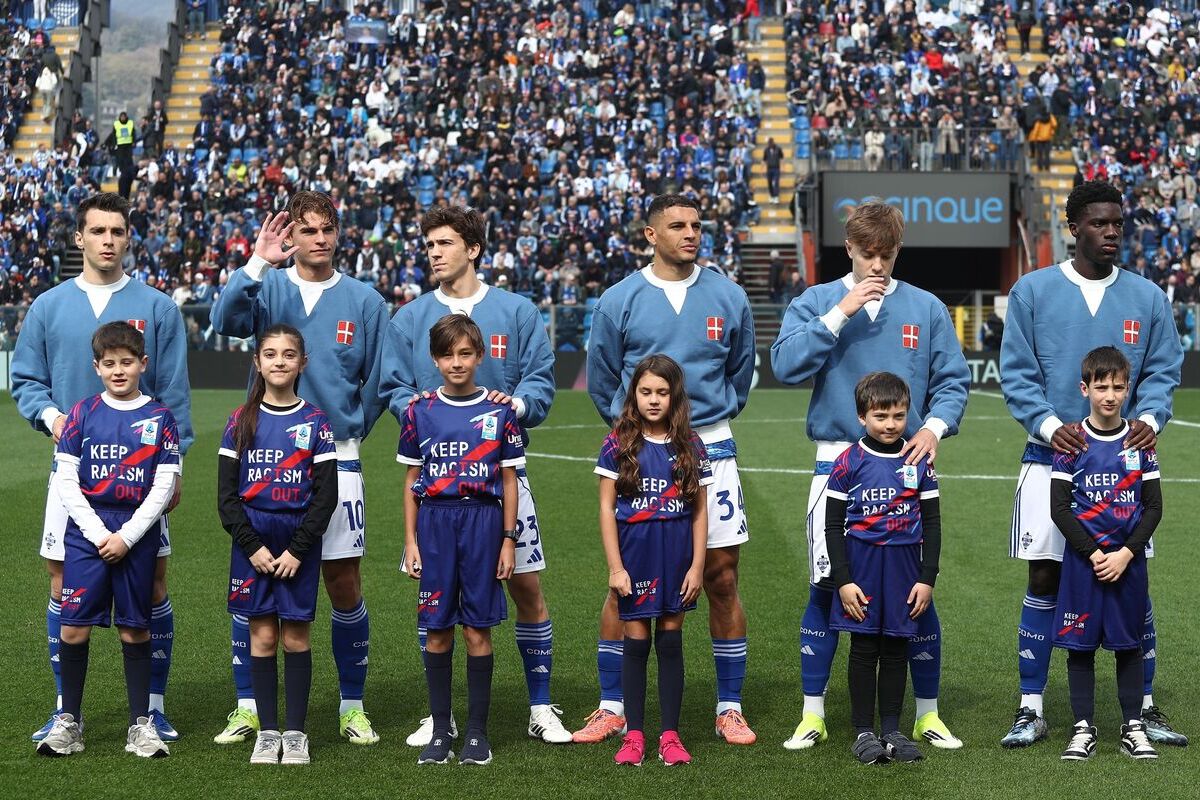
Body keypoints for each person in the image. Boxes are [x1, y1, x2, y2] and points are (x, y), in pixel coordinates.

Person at [770, 200, 969, 751]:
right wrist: (842, 311)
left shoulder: (926, 308)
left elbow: (953, 381)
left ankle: (926, 715)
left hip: (909, 467)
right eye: (867, 254)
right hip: (837, 464)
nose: (877, 265)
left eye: (887, 254)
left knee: (916, 590)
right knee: (827, 585)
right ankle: (813, 714)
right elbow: (784, 365)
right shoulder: (816, 300)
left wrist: (934, 429)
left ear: (897, 250)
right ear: (849, 249)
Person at [999, 180, 1186, 748]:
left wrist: (1149, 416)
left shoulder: (1148, 297)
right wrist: (1051, 426)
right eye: (1100, 223)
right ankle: (1031, 707)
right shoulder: (1033, 291)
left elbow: (1163, 369)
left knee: (1131, 576)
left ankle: (1143, 707)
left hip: (1124, 465)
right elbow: (1017, 372)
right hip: (1048, 458)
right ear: (1073, 227)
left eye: (1117, 224)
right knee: (1044, 576)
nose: (1111, 233)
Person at [381, 206, 569, 747]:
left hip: (500, 478)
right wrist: (422, 411)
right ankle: (438, 716)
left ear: (473, 249)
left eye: (444, 243)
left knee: (526, 586)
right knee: (434, 597)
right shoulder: (410, 317)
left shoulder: (517, 310)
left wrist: (519, 405)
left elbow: (540, 379)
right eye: (429, 245)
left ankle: (540, 705)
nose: (434, 253)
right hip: (438, 485)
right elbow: (392, 387)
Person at [12, 192, 192, 745]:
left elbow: (173, 392)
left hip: (141, 478)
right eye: (97, 231)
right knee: (63, 579)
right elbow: (27, 380)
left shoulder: (158, 307)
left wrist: (176, 467)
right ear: (80, 238)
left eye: (117, 231)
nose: (107, 241)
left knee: (152, 583)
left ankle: (152, 709)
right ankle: (66, 709)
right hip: (73, 474)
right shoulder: (48, 306)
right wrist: (54, 418)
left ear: (128, 238)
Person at [211, 191, 388, 747]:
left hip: (336, 457)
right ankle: (249, 705)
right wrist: (256, 263)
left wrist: (351, 429)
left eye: (326, 229)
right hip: (264, 456)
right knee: (255, 577)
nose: (318, 238)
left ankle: (352, 705)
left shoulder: (366, 301)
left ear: (338, 234)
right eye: (307, 229)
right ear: (291, 235)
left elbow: (379, 381)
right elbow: (223, 320)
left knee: (343, 580)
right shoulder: (269, 287)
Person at [581, 193, 757, 746]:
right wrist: (636, 436)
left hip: (711, 447)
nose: (690, 233)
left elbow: (741, 372)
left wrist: (702, 425)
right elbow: (603, 379)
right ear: (651, 235)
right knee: (625, 583)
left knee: (721, 576)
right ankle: (613, 705)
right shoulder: (619, 299)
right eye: (677, 225)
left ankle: (729, 707)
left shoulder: (729, 295)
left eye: (696, 225)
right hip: (641, 450)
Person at [35, 322, 181, 758]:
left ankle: (141, 724)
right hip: (87, 533)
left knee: (135, 629)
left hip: (136, 532)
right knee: (73, 626)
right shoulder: (82, 413)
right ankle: (69, 721)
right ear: (96, 366)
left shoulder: (160, 418)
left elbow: (164, 485)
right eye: (110, 363)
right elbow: (66, 479)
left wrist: (128, 536)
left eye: (127, 362)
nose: (119, 370)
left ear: (143, 364)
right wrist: (100, 534)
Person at [397, 314, 525, 767]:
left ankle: (476, 733)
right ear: (435, 359)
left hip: (482, 523)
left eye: (465, 354)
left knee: (476, 629)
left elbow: (508, 481)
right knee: (436, 631)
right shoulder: (419, 411)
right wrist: (411, 542)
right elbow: (412, 481)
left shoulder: (500, 412)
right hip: (435, 523)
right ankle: (439, 730)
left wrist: (508, 540)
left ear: (480, 356)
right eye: (447, 355)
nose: (456, 362)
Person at [219, 324, 338, 766]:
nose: (279, 362)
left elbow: (326, 497)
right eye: (270, 354)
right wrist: (251, 546)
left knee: (296, 636)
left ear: (302, 363)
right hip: (253, 543)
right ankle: (268, 732)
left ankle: (296, 732)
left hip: (296, 543)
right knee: (263, 636)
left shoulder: (316, 423)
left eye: (289, 354)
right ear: (257, 362)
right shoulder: (240, 420)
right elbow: (226, 498)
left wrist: (298, 550)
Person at [595, 355, 710, 767]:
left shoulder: (691, 445)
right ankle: (635, 736)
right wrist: (616, 567)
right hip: (636, 555)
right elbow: (606, 509)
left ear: (675, 396)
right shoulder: (617, 443)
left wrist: (697, 567)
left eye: (662, 392)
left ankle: (670, 736)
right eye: (646, 392)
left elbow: (700, 512)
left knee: (671, 641)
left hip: (676, 556)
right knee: (636, 642)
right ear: (635, 395)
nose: (654, 399)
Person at [1050, 347, 1162, 762]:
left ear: (1128, 388)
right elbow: (1059, 508)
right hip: (1084, 565)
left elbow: (1154, 507)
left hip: (1128, 565)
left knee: (1128, 644)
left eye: (1117, 387)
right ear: (1085, 389)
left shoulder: (1140, 441)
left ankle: (1133, 726)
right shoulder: (1071, 442)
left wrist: (1126, 554)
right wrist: (1095, 553)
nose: (1109, 396)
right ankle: (1083, 728)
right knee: (1080, 647)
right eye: (1101, 387)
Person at [825, 372, 940, 765]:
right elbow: (832, 526)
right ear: (862, 417)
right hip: (862, 566)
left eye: (898, 416)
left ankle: (891, 728)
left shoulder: (918, 461)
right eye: (880, 416)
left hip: (905, 567)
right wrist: (843, 580)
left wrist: (927, 578)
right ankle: (863, 731)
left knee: (896, 647)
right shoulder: (848, 462)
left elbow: (933, 523)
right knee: (863, 647)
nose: (890, 424)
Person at [764, 138, 783, 204]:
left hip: (776, 168)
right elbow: (764, 159)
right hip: (769, 168)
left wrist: (782, 167)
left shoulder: (778, 149)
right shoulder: (766, 150)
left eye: (771, 143)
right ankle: (771, 196)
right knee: (769, 183)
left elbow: (781, 158)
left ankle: (776, 196)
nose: (770, 144)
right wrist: (763, 168)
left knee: (776, 182)